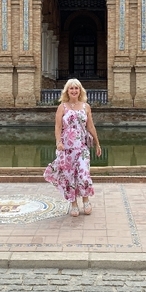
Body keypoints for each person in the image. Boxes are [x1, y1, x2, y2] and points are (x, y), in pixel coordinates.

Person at [43, 78, 102, 217]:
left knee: (83, 174)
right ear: (67, 91)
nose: (74, 91)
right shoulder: (62, 107)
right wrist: (58, 142)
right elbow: (58, 127)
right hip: (67, 148)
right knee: (69, 176)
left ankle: (86, 200)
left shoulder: (86, 107)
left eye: (76, 88)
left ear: (80, 90)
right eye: (71, 88)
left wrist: (98, 143)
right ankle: (73, 202)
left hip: (81, 147)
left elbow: (90, 126)